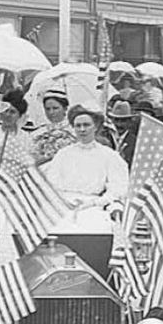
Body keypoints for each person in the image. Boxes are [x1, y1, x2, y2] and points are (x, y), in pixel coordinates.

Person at [41, 105, 128, 233]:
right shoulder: (63, 154)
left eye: (86, 125)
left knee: (95, 225)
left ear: (96, 127)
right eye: (78, 126)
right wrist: (62, 201)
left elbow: (117, 188)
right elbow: (50, 184)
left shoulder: (109, 155)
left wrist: (96, 202)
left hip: (93, 205)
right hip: (62, 204)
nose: (82, 129)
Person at [32, 89, 76, 164]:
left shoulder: (74, 130)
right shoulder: (39, 132)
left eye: (55, 108)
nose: (51, 112)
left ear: (65, 108)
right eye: (47, 109)